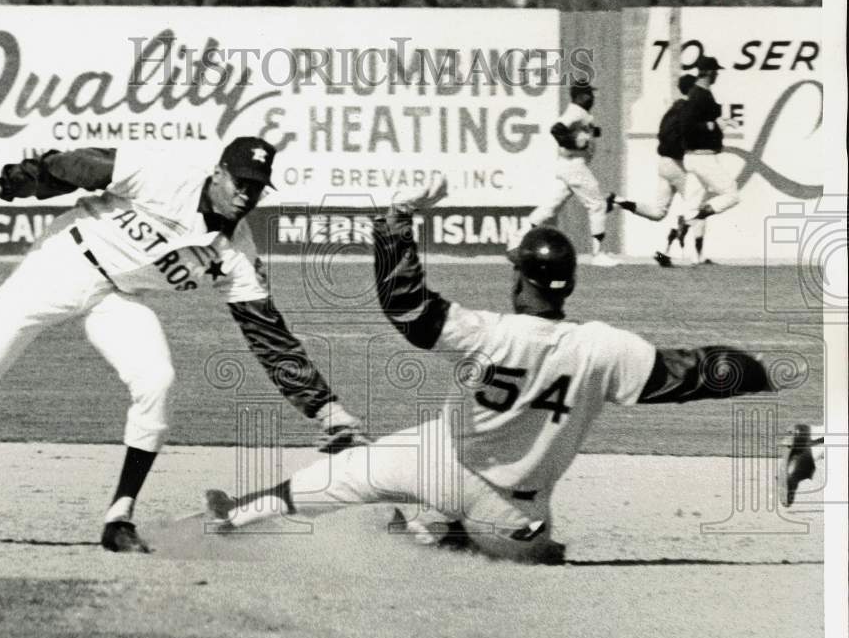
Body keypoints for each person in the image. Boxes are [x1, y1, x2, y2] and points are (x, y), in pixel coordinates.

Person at [204, 180, 811, 561]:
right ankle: (493, 541)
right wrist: (776, 369)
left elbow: (407, 307)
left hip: (438, 462)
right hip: (519, 509)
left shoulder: (490, 332)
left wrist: (394, 223)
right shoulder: (606, 350)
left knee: (335, 480)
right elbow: (703, 371)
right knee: (524, 542)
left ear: (520, 279)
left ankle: (237, 515)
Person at [0, 137, 364, 553]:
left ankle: (118, 517)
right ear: (218, 173)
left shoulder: (237, 254)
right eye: (240, 181)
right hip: (61, 263)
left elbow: (268, 335)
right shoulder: (166, 176)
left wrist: (325, 410)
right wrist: (2, 189)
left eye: (257, 187)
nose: (246, 193)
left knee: (157, 380)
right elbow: (72, 166)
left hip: (118, 296)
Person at [608, 74, 707, 267]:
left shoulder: (672, 109)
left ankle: (620, 201)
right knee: (698, 206)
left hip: (663, 163)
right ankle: (697, 256)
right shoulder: (688, 110)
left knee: (658, 212)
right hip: (677, 163)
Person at [520, 79, 619, 267]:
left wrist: (591, 133)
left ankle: (519, 236)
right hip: (574, 165)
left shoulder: (581, 113)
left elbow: (576, 131)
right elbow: (556, 129)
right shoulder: (576, 111)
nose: (592, 97)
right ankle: (598, 255)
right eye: (589, 94)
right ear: (581, 96)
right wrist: (573, 143)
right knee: (597, 204)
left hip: (568, 165)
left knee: (551, 207)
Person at [677, 55, 741, 262]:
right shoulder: (699, 95)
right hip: (702, 157)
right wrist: (714, 125)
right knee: (731, 194)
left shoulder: (701, 94)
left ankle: (679, 253)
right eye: (716, 71)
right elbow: (686, 126)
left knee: (691, 203)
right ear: (709, 72)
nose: (717, 75)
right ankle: (691, 220)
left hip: (694, 158)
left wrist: (717, 122)